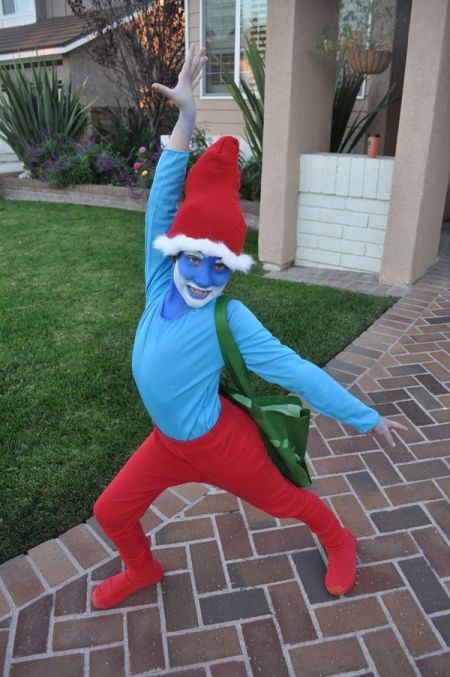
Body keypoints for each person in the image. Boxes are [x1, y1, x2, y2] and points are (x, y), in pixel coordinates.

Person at [91, 45, 406, 610]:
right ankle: (142, 568)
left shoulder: (227, 315)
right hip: (167, 444)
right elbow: (162, 207)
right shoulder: (160, 280)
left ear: (230, 267)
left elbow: (296, 371)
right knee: (111, 510)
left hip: (222, 445)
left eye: (220, 264)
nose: (205, 275)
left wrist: (366, 418)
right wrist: (186, 121)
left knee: (288, 501)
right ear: (176, 253)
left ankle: (341, 540)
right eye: (195, 258)